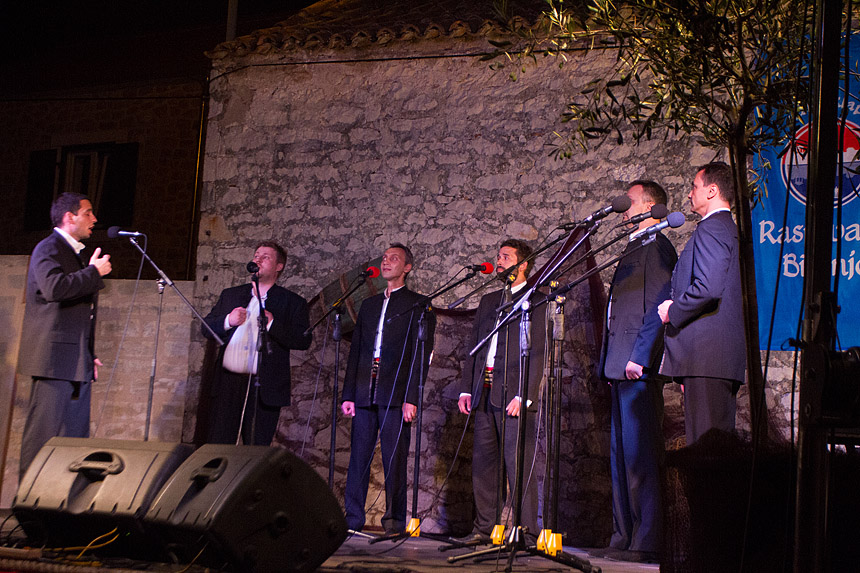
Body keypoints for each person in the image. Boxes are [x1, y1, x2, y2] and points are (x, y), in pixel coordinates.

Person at [594, 181, 677, 563]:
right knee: (620, 456)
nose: (624, 210)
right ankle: (623, 535)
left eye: (630, 203)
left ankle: (647, 540)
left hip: (635, 366)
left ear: (650, 206)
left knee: (640, 456)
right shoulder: (634, 246)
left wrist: (640, 356)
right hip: (619, 363)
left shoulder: (657, 247)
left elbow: (658, 306)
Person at [341, 243, 435, 534]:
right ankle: (352, 519)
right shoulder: (368, 305)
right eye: (384, 258)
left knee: (395, 458)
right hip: (364, 388)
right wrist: (349, 394)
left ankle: (394, 522)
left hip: (396, 392)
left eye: (394, 258)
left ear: (407, 267)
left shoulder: (419, 304)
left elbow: (422, 353)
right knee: (358, 457)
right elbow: (356, 351)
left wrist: (411, 398)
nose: (387, 261)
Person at [17, 192, 112, 479]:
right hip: (53, 361)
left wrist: (87, 352)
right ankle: (30, 513)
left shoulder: (76, 255)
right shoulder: (48, 248)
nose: (94, 219)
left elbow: (76, 312)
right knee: (42, 441)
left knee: (74, 443)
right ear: (69, 217)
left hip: (75, 361)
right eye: (88, 213)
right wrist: (93, 273)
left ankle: (63, 512)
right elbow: (54, 289)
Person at [458, 239, 545, 544]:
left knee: (518, 465)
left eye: (506, 257)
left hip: (513, 396)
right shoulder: (488, 301)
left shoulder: (537, 300)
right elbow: (475, 348)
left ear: (523, 265)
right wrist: (465, 390)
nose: (499, 261)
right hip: (484, 391)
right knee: (484, 465)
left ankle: (526, 533)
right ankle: (485, 529)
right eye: (498, 256)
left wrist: (525, 394)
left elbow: (539, 352)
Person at [658, 162, 746, 446]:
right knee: (711, 450)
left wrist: (673, 310)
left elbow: (708, 288)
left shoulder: (713, 229)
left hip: (708, 358)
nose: (689, 194)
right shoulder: (725, 229)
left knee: (706, 452)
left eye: (694, 187)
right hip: (711, 360)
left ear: (712, 190)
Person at [202, 241, 312, 446]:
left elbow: (303, 340)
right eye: (256, 255)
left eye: (266, 257)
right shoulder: (231, 295)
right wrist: (228, 321)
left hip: (264, 388)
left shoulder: (292, 302)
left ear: (279, 267)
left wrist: (272, 324)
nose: (258, 260)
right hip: (228, 384)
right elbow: (205, 327)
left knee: (255, 448)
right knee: (219, 446)